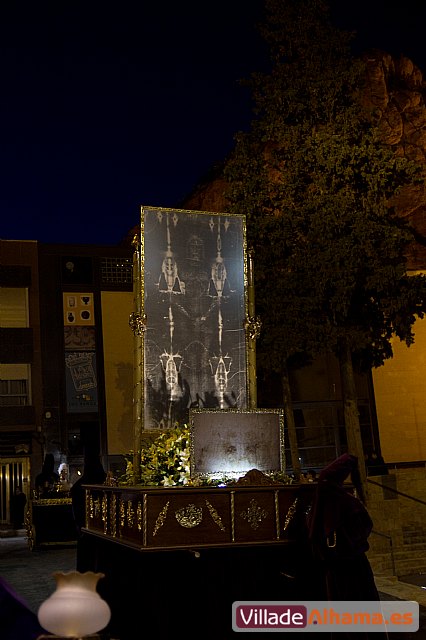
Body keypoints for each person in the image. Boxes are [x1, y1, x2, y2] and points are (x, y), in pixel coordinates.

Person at [307, 453, 381, 602]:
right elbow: (365, 526)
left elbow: (314, 532)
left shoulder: (322, 500)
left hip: (338, 566)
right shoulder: (347, 502)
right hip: (351, 564)